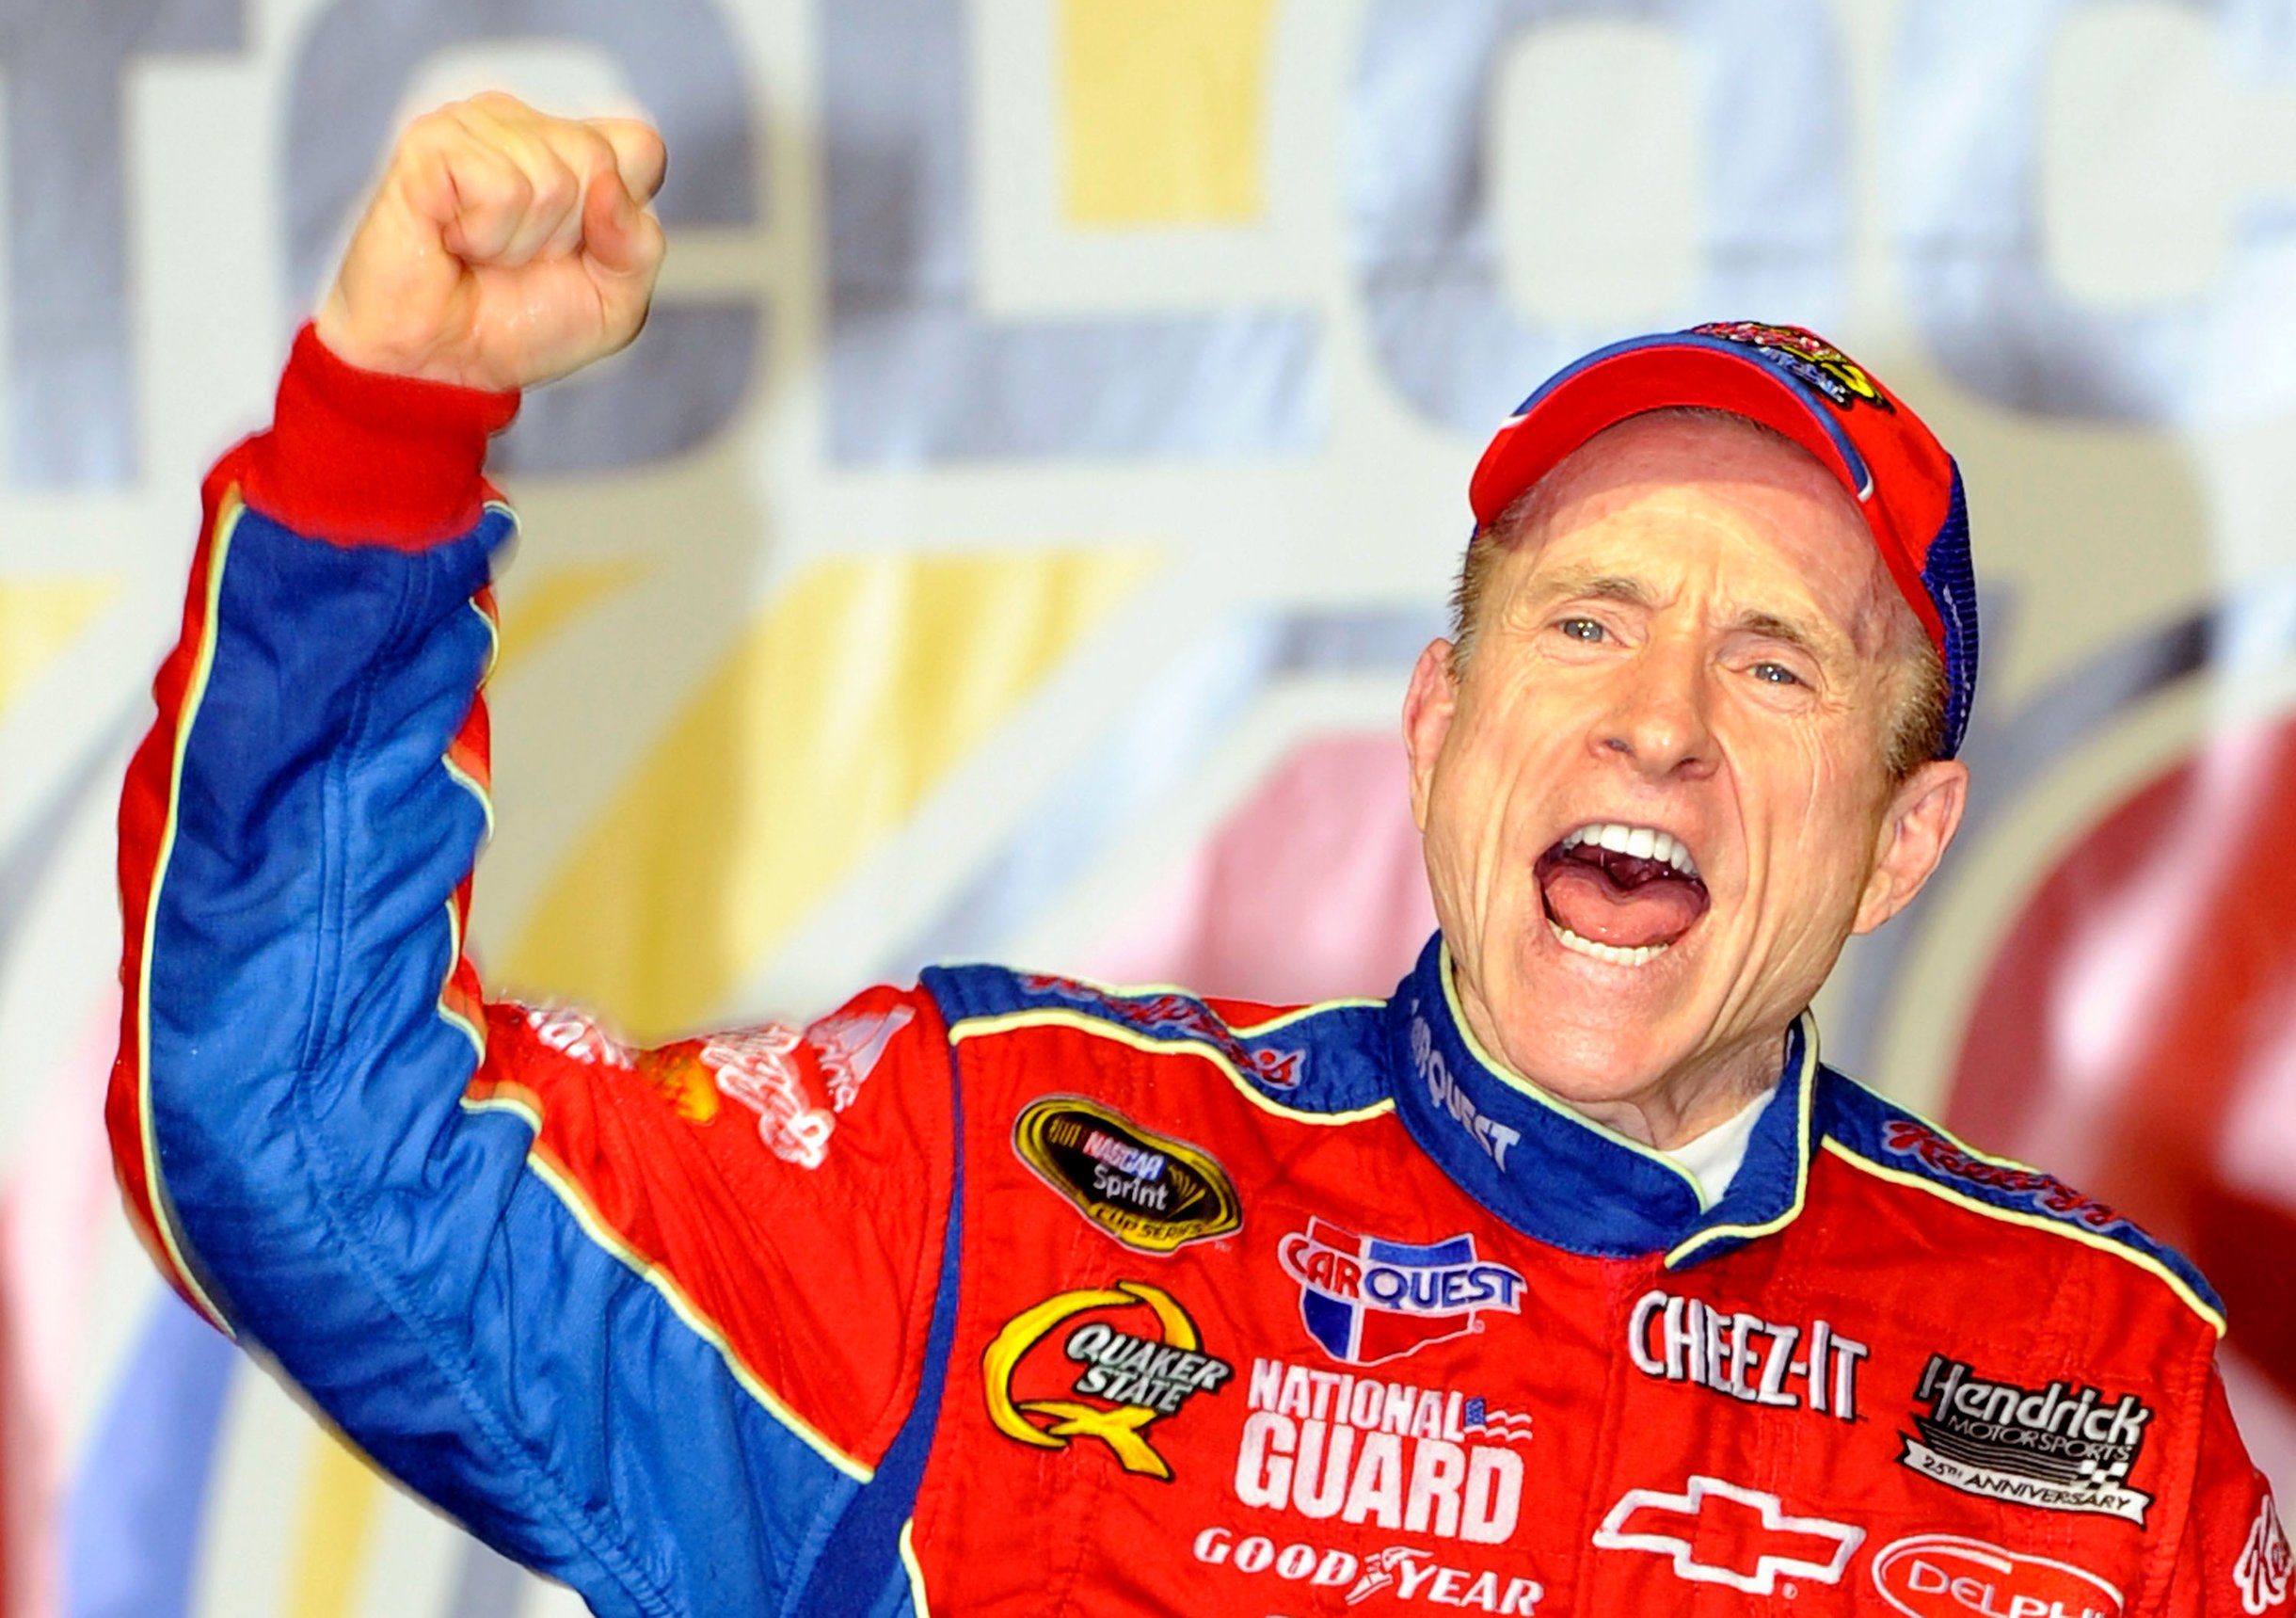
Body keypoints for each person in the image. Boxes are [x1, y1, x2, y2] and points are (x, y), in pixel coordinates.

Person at [106, 94, 2288, 1617]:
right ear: (1435, 726)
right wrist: (384, 433)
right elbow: (301, 1133)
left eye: (1775, 663)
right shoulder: (986, 1184)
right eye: (1584, 620)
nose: (1655, 718)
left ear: (1901, 838)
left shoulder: (2099, 1387)